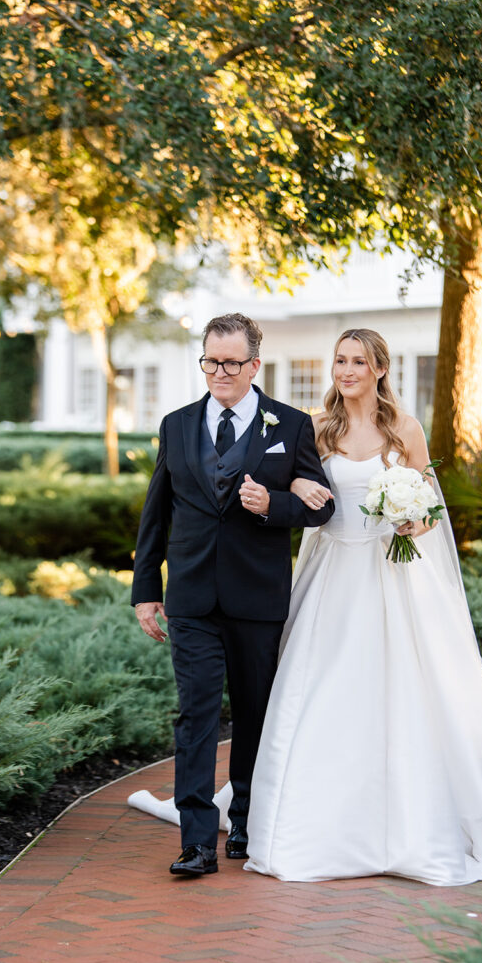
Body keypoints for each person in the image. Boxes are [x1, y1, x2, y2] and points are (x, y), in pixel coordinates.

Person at [131, 326, 482, 886]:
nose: (346, 371)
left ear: (379, 368)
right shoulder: (312, 426)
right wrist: (287, 500)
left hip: (393, 574)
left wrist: (415, 517)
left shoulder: (401, 428)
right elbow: (300, 492)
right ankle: (235, 825)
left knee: (390, 690)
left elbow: (430, 505)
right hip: (329, 572)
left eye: (357, 361)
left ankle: (384, 806)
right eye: (339, 360)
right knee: (301, 692)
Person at [130, 312, 334, 878]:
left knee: (253, 714)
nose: (218, 371)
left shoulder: (290, 426)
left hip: (258, 598)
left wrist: (275, 506)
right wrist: (147, 588)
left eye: (230, 362)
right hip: (192, 596)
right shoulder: (176, 425)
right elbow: (156, 513)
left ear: (254, 365)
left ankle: (244, 817)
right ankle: (197, 840)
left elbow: (324, 507)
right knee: (195, 715)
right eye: (210, 361)